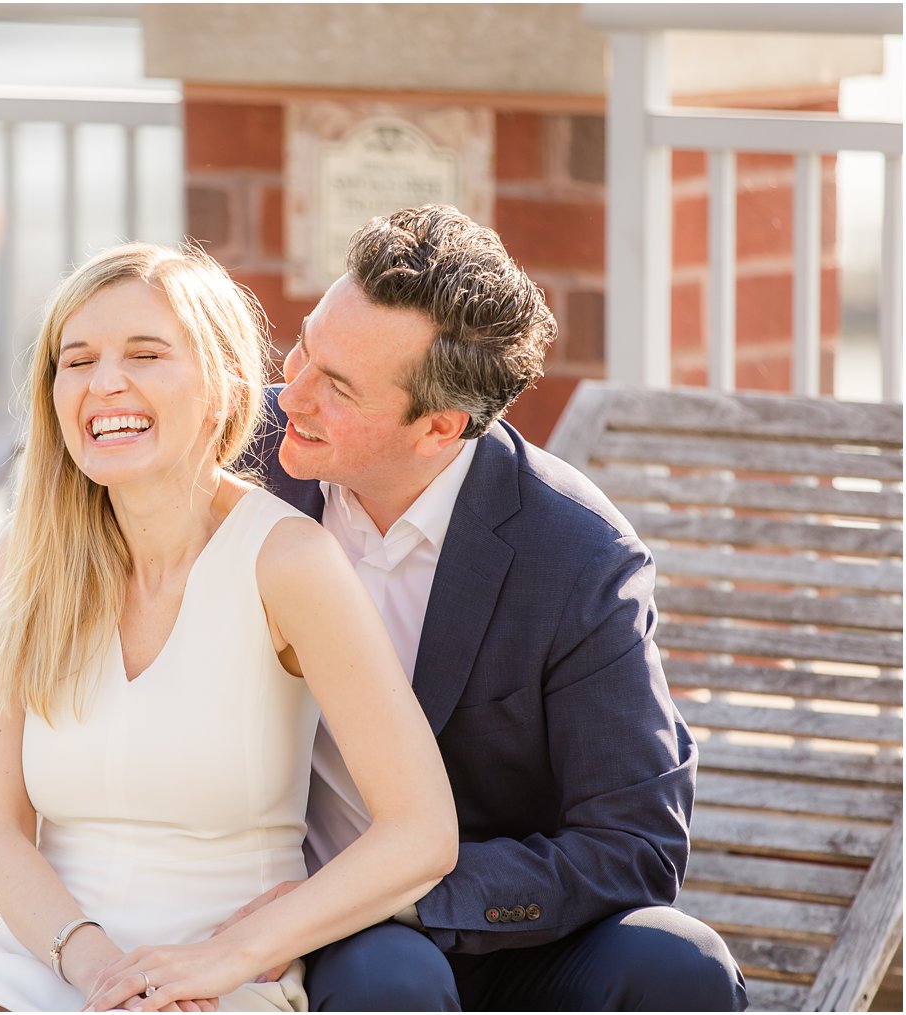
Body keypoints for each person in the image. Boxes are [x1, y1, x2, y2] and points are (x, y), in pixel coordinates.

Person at [0, 243, 458, 1013]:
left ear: (223, 388)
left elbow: (420, 831)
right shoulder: (26, 556)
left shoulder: (289, 561)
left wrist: (230, 955)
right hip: (48, 959)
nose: (104, 381)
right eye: (75, 360)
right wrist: (96, 970)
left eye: (145, 353)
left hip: (217, 975)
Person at [234, 205, 747, 1011]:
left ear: (440, 425)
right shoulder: (239, 457)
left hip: (502, 923)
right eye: (304, 343)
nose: (290, 390)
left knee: (681, 964)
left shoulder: (578, 557)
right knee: (391, 978)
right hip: (318, 930)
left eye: (336, 385)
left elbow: (635, 844)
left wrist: (407, 892)